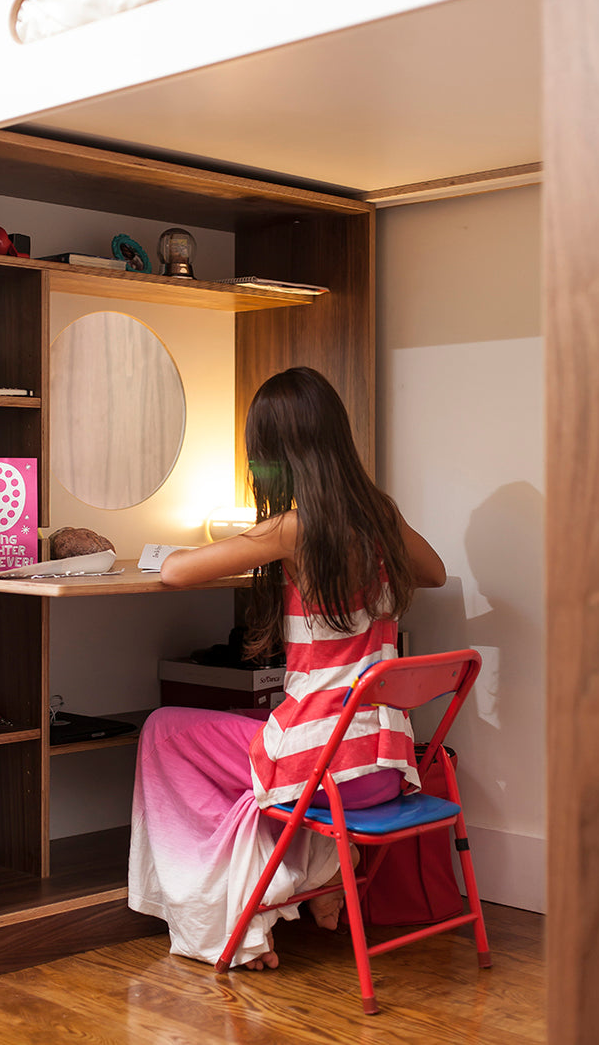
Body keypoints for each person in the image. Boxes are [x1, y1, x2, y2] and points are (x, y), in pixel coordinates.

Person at [128, 366, 446, 969]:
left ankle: (243, 905)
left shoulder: (292, 529)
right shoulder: (381, 516)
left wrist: (212, 542)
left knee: (163, 731)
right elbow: (433, 572)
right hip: (384, 768)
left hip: (326, 773)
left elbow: (174, 572)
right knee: (257, 723)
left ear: (274, 455)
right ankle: (317, 869)